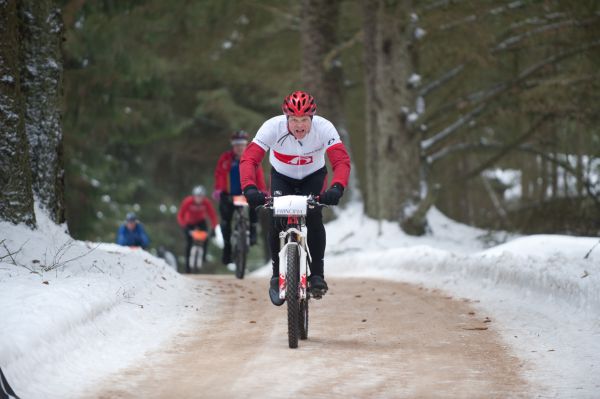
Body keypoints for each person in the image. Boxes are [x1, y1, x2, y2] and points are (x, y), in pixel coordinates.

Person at [240, 90, 351, 306]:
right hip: (282, 177)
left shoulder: (325, 128)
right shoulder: (272, 127)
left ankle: (317, 274)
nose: (299, 125)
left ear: (312, 118)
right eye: (293, 120)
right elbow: (249, 160)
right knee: (276, 218)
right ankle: (275, 275)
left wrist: (337, 187)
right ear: (285, 118)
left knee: (313, 217)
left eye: (304, 120)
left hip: (313, 176)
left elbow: (341, 161)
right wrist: (249, 188)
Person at [213, 130, 268, 265]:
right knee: (225, 221)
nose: (239, 147)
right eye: (237, 145)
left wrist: (262, 191)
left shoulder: (252, 158)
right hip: (230, 194)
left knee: (256, 206)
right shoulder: (226, 159)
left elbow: (259, 175)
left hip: (247, 193)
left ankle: (253, 230)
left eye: (242, 144)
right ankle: (227, 248)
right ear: (233, 146)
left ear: (246, 145)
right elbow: (220, 175)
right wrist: (219, 190)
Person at [177, 185, 218, 273]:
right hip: (189, 223)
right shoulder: (188, 201)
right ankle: (187, 267)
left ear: (203, 197)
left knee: (205, 237)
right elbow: (180, 215)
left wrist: (214, 228)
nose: (199, 199)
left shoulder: (206, 202)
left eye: (201, 197)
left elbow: (213, 216)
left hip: (200, 222)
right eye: (197, 197)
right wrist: (184, 226)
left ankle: (203, 256)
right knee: (189, 243)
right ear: (194, 196)